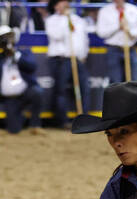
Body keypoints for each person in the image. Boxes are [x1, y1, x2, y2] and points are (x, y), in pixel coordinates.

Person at [0, 26, 46, 134]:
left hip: (25, 93)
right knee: (13, 130)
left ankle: (35, 125)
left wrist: (14, 54)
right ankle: (20, 117)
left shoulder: (23, 53)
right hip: (10, 99)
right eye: (2, 38)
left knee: (37, 92)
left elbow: (31, 67)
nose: (5, 41)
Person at [44, 0, 91, 128]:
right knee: (61, 90)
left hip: (77, 58)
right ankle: (62, 120)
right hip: (62, 59)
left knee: (84, 88)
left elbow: (84, 39)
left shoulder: (78, 20)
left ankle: (84, 118)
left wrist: (84, 54)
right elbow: (57, 35)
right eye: (61, 3)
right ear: (55, 6)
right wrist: (66, 20)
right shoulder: (51, 20)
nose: (65, 4)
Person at [96, 0, 137, 84]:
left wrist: (130, 32)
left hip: (131, 48)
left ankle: (135, 97)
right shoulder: (104, 11)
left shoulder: (134, 9)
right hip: (113, 49)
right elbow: (101, 33)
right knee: (115, 81)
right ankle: (117, 97)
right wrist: (117, 26)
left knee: (136, 80)